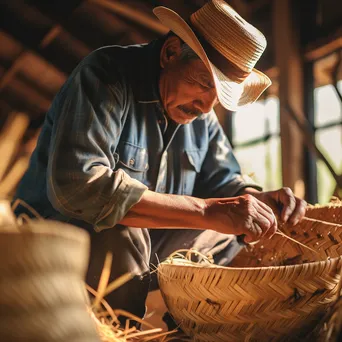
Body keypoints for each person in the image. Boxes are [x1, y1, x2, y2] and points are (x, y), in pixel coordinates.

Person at [15, 0, 306, 320]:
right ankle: (120, 330)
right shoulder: (106, 75)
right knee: (122, 231)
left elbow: (223, 180)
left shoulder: (200, 117)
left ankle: (185, 326)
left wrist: (254, 201)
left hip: (144, 250)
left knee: (231, 230)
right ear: (170, 53)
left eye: (219, 95)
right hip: (54, 242)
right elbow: (78, 186)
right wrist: (207, 210)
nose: (207, 106)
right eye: (204, 83)